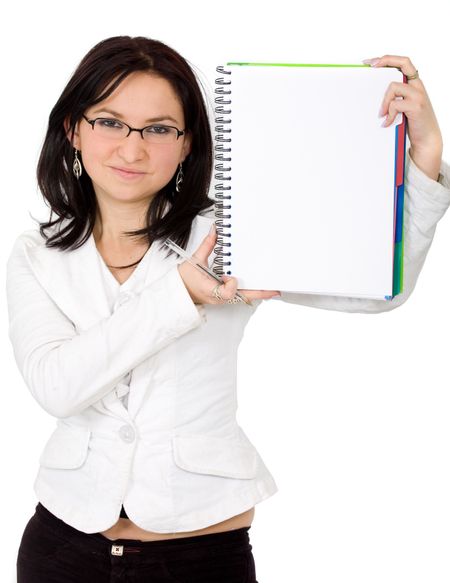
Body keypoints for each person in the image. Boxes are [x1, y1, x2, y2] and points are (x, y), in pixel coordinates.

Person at [6, 36, 449, 583]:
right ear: (74, 128)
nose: (132, 148)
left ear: (189, 143)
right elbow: (57, 386)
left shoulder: (228, 231)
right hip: (61, 550)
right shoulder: (38, 253)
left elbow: (380, 289)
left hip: (199, 554)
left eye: (160, 129)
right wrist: (180, 295)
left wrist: (425, 160)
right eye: (109, 122)